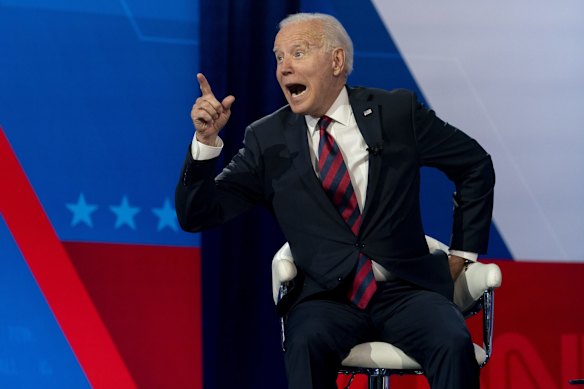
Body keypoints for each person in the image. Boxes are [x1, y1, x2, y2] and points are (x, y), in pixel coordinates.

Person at [175, 12, 494, 389]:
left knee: (452, 340)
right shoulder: (268, 140)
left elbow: (474, 164)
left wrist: (463, 253)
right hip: (327, 297)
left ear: (336, 61)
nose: (284, 68)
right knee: (305, 342)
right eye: (278, 57)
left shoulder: (394, 113)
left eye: (297, 53)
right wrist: (207, 144)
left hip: (407, 289)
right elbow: (197, 213)